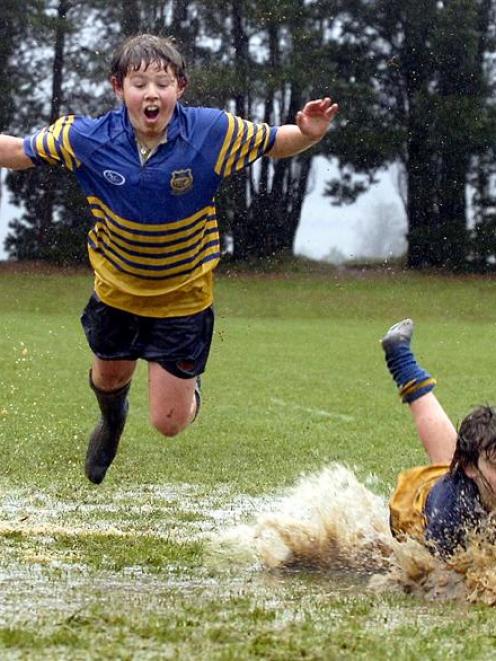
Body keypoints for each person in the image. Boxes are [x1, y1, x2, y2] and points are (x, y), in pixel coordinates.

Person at [0, 34, 339, 485]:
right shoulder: (86, 137)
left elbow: (274, 141)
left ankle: (189, 385)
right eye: (139, 83)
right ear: (118, 87)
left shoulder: (212, 132)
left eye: (162, 82)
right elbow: (19, 151)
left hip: (183, 298)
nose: (151, 93)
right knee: (108, 378)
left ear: (180, 86)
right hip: (116, 291)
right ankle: (113, 420)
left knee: (168, 422)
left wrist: (308, 134)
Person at [382, 318, 496, 559]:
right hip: (413, 510)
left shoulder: (479, 470)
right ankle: (399, 358)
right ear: (471, 468)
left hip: (456, 477)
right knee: (450, 454)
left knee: (451, 452)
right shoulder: (452, 515)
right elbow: (440, 577)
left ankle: (399, 354)